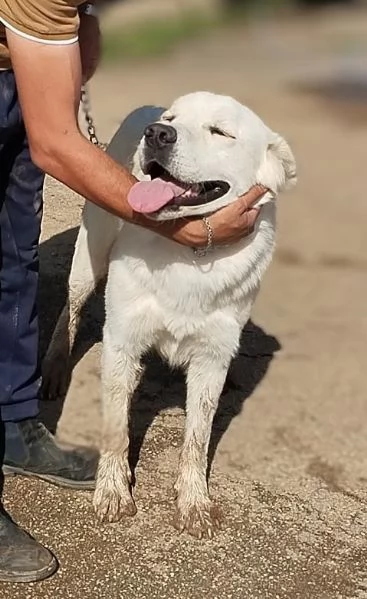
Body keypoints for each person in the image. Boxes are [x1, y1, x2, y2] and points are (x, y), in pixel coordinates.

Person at [0, 0, 264, 583]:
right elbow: (57, 143)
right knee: (53, 266)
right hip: (19, 71)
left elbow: (78, 46)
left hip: (20, 72)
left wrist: (68, 50)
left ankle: (15, 423)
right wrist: (191, 226)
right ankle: (47, 374)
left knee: (14, 258)